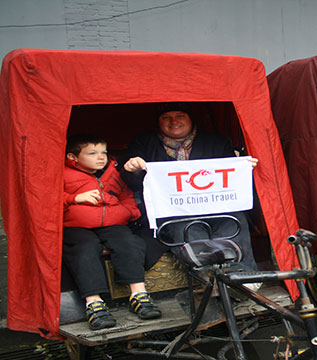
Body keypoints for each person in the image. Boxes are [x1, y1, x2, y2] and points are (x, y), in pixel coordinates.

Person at [121, 102, 259, 272]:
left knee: (235, 220)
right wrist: (133, 169)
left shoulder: (215, 142)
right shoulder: (143, 142)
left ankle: (242, 277)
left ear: (191, 118)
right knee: (187, 230)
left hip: (216, 205)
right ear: (158, 121)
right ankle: (211, 279)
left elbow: (230, 175)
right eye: (166, 117)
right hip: (174, 210)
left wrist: (243, 167)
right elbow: (131, 181)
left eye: (180, 116)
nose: (174, 121)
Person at [63, 134, 161, 331]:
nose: (101, 158)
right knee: (85, 248)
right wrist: (74, 198)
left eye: (104, 153)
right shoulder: (62, 173)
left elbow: (125, 195)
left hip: (112, 221)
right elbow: (46, 197)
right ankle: (94, 303)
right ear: (73, 157)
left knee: (128, 241)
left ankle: (139, 294)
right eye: (92, 153)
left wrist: (129, 212)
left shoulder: (113, 170)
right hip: (76, 225)